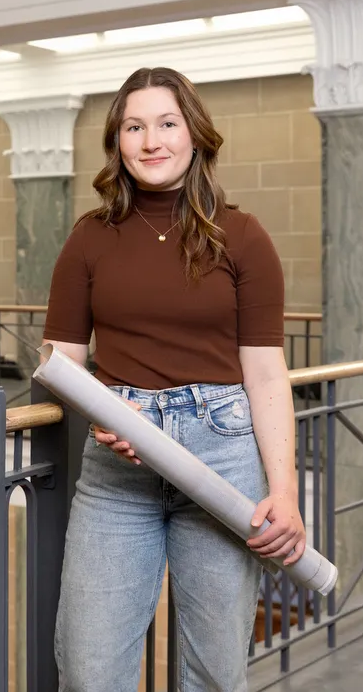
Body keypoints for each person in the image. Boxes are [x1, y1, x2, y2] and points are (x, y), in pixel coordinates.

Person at [40, 66, 305, 692]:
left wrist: (286, 492)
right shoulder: (88, 239)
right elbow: (62, 359)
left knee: (214, 674)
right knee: (88, 670)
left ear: (195, 136)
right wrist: (110, 418)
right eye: (135, 126)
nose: (151, 140)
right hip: (118, 473)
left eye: (167, 123)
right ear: (118, 141)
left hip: (224, 462)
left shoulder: (243, 237)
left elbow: (266, 372)